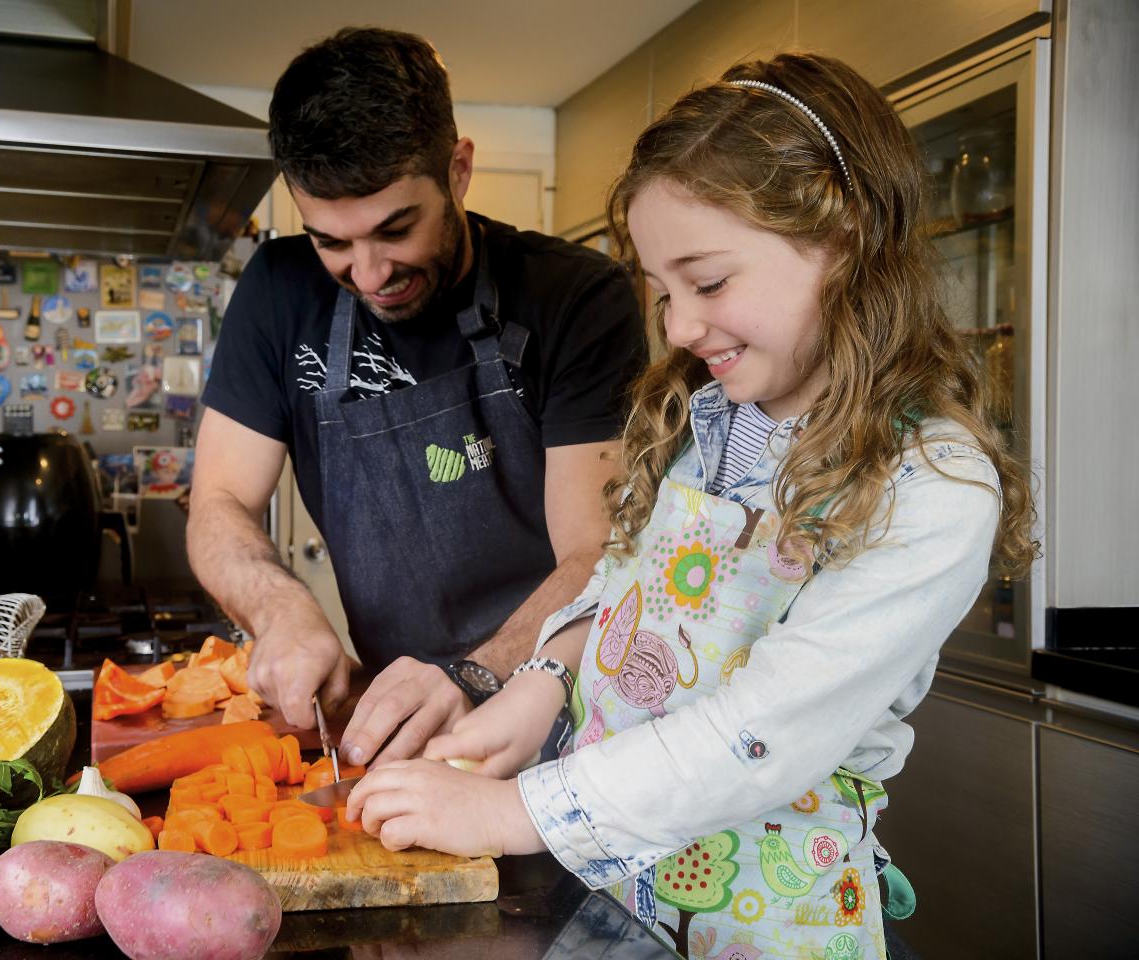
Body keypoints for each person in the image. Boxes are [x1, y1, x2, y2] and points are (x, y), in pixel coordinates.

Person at [348, 52, 1036, 959]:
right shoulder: (701, 419)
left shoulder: (930, 485)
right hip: (617, 901)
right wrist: (545, 683)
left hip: (771, 923)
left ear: (850, 236)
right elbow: (625, 591)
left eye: (708, 283)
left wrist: (512, 811)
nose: (676, 327)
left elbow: (765, 732)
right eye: (664, 291)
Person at [189, 27, 647, 764]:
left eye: (396, 229)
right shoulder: (277, 291)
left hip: (569, 714)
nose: (368, 274)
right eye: (331, 242)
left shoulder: (575, 299)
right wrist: (280, 609)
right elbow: (219, 504)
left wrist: (472, 676)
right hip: (398, 724)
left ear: (458, 170)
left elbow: (596, 552)